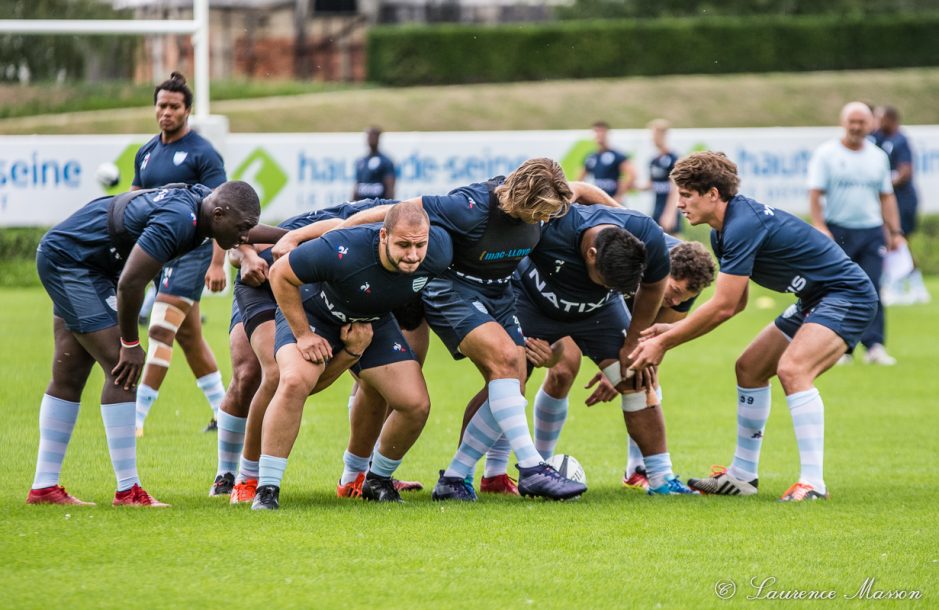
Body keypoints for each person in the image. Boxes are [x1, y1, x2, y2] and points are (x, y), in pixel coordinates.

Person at [331, 159, 609, 501]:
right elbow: (395, 211)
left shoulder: (550, 201)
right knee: (506, 358)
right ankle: (532, 468)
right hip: (452, 292)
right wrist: (337, 234)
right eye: (540, 213)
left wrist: (626, 215)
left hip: (500, 292)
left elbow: (586, 192)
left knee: (515, 379)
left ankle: (454, 478)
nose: (544, 221)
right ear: (523, 199)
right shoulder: (469, 206)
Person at [629, 152, 878, 502]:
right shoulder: (722, 232)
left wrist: (666, 340)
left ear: (713, 194)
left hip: (846, 295)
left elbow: (725, 304)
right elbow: (737, 304)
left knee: (793, 369)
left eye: (687, 194)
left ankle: (813, 484)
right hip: (814, 300)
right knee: (749, 368)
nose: (680, 203)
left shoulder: (742, 224)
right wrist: (667, 336)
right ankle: (743, 476)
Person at [28, 181, 274, 506]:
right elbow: (131, 284)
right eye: (241, 229)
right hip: (74, 262)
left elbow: (251, 229)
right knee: (122, 365)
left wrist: (301, 234)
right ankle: (128, 491)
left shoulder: (205, 205)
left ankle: (44, 488)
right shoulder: (178, 219)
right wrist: (130, 343)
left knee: (70, 370)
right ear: (218, 213)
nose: (245, 238)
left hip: (80, 258)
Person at [252, 201, 454, 509]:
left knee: (415, 404)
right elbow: (280, 273)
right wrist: (304, 334)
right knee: (294, 382)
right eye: (403, 245)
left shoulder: (440, 250)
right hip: (315, 313)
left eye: (419, 245)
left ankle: (374, 479)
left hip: (372, 322)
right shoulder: (344, 248)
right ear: (383, 236)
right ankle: (267, 489)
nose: (413, 255)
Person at [209, 198, 397, 502]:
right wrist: (245, 257)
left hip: (310, 291)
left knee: (371, 375)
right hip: (264, 287)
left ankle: (359, 474)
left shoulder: (400, 233)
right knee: (265, 373)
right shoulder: (340, 226)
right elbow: (237, 240)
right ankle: (242, 477)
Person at [520, 238, 716, 493]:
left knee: (642, 378)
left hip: (617, 320)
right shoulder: (638, 252)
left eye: (685, 298)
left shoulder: (690, 279)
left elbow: (656, 343)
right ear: (664, 271)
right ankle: (541, 464)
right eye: (675, 291)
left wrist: (621, 370)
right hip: (576, 299)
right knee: (563, 370)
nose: (677, 302)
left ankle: (639, 471)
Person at [132, 72, 230, 436]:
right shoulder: (146, 153)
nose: (166, 112)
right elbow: (134, 204)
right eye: (161, 105)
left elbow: (224, 211)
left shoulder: (203, 153)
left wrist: (218, 262)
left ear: (187, 110)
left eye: (174, 106)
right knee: (189, 337)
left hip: (192, 253)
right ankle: (225, 412)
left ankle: (136, 419)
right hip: (157, 254)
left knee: (159, 328)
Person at [808, 101, 905, 366]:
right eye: (852, 121)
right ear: (843, 123)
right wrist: (819, 225)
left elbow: (886, 197)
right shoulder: (826, 154)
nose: (856, 126)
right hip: (837, 229)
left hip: (871, 230)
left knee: (872, 288)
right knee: (836, 289)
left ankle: (875, 345)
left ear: (871, 124)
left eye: (861, 122)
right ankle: (841, 347)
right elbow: (815, 194)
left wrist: (894, 231)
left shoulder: (877, 156)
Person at [873, 105, 930, 305]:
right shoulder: (880, 139)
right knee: (890, 242)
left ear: (890, 119)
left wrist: (884, 181)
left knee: (899, 241)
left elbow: (905, 171)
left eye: (879, 118)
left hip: (903, 201)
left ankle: (911, 286)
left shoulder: (900, 140)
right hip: (890, 202)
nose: (876, 121)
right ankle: (906, 286)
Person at [579, 121, 635, 203]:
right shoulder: (591, 157)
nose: (599, 134)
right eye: (596, 131)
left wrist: (619, 195)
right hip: (598, 201)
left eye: (602, 131)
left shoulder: (617, 155)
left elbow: (632, 175)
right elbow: (580, 179)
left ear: (607, 134)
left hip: (614, 201)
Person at [645, 119, 681, 234]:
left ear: (663, 135)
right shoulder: (654, 160)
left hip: (669, 209)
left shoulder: (673, 158)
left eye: (655, 134)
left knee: (674, 242)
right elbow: (650, 184)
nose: (653, 138)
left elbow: (675, 188)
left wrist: (670, 214)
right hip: (657, 207)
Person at [352, 126, 396, 201]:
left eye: (373, 136)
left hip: (377, 206)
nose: (370, 139)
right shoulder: (361, 161)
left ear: (378, 139)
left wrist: (388, 205)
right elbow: (357, 186)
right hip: (362, 205)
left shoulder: (386, 161)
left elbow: (390, 187)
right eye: (369, 136)